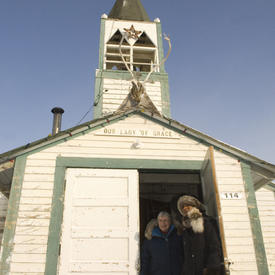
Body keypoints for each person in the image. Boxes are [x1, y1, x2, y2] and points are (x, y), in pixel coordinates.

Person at [176, 195, 222, 275]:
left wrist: (211, 268)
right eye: (183, 207)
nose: (185, 208)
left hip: (205, 270)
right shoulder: (184, 227)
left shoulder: (207, 222)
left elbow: (214, 246)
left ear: (195, 207)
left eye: (188, 205)